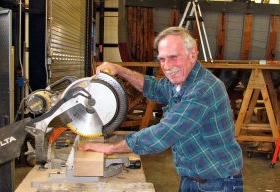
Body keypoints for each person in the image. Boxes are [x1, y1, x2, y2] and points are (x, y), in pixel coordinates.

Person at [79, 27, 243, 192]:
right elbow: (154, 87)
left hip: (217, 185)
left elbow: (164, 133)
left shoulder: (204, 89)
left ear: (192, 54)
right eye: (162, 59)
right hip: (192, 179)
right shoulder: (180, 81)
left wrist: (112, 148)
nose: (167, 66)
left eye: (173, 57)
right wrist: (120, 70)